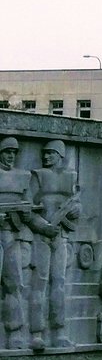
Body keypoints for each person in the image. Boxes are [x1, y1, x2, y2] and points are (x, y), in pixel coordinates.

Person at [28, 140, 81, 349]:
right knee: (39, 283)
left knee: (59, 283)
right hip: (41, 236)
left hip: (61, 236)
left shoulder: (71, 178)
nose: (46, 157)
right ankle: (36, 333)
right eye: (44, 153)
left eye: (50, 153)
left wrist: (76, 211)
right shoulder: (38, 176)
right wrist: (43, 227)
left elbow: (77, 205)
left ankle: (58, 332)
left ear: (60, 155)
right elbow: (28, 209)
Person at [0, 138, 33, 349]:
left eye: (14, 152)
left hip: (11, 236)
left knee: (14, 285)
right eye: (7, 152)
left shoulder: (23, 177)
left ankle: (15, 334)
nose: (11, 155)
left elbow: (29, 208)